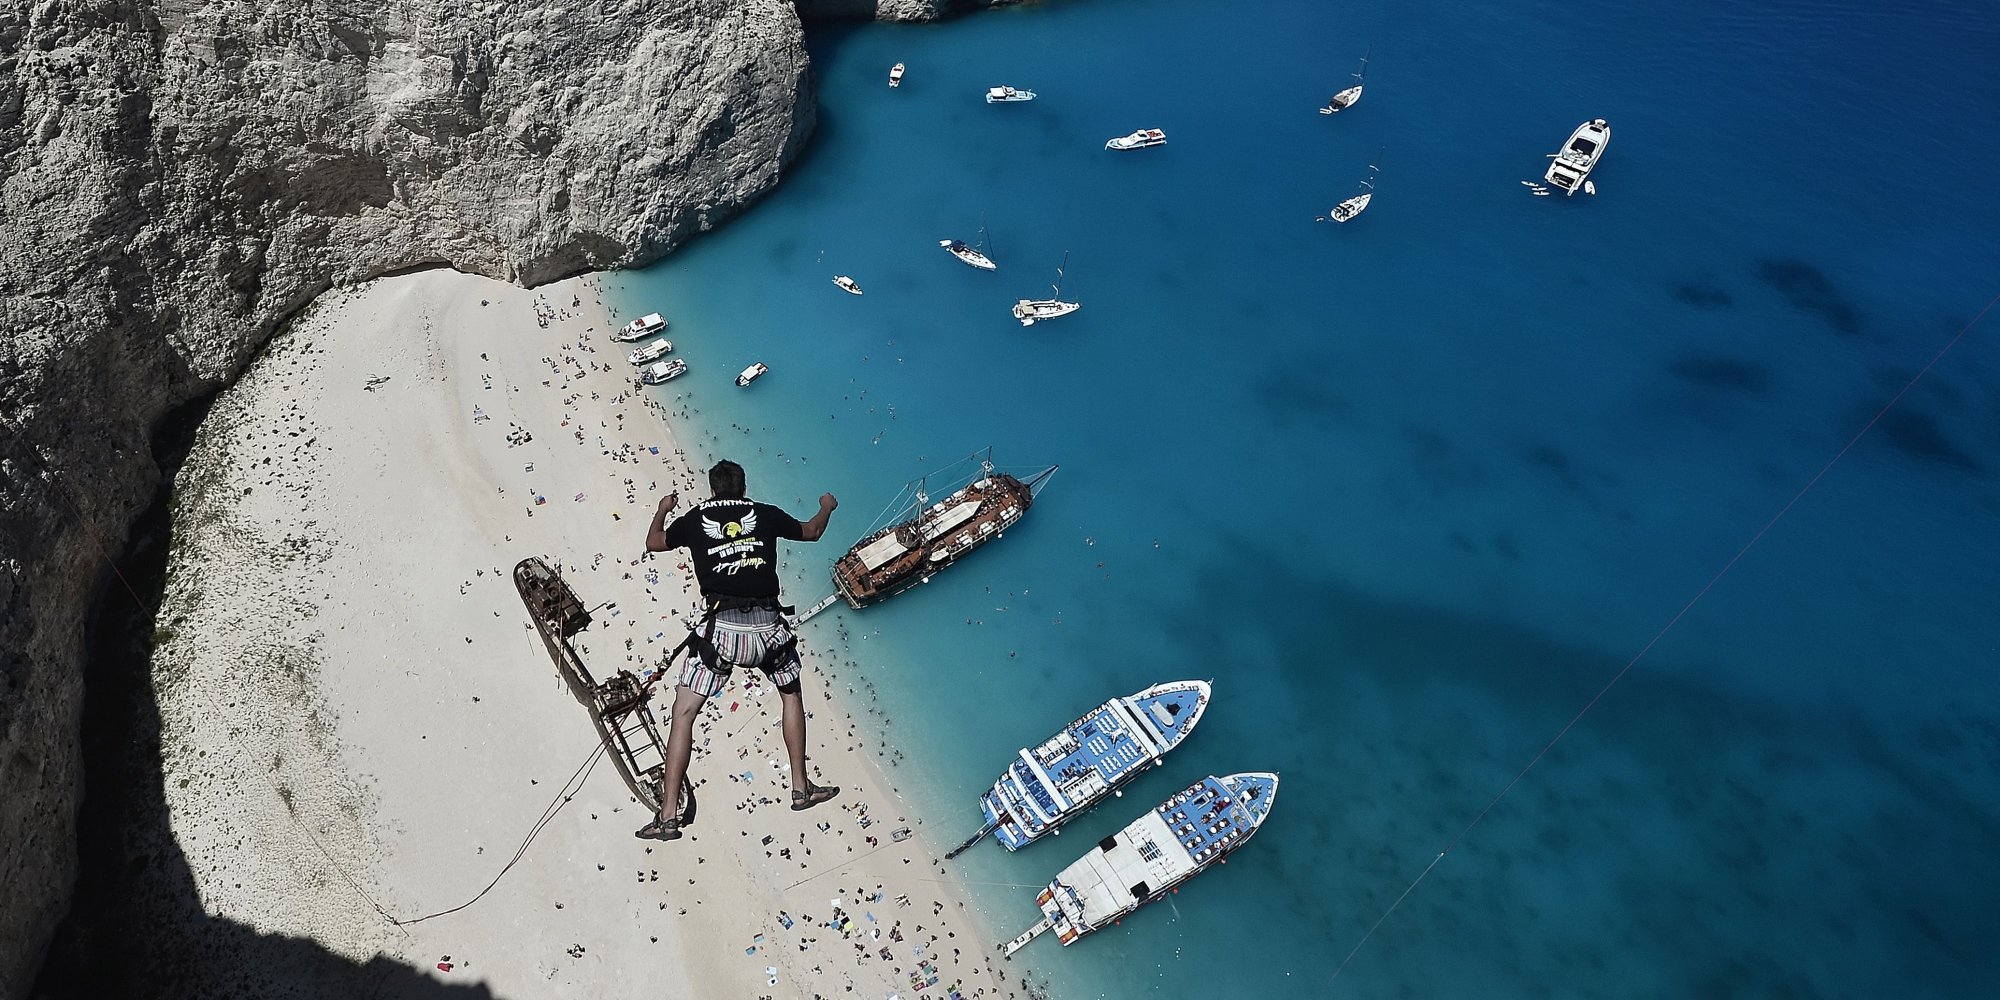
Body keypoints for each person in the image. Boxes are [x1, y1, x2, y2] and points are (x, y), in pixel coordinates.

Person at [635, 460, 839, 841]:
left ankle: (667, 817)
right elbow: (812, 531)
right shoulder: (764, 513)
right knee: (791, 695)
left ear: (712, 490)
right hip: (768, 628)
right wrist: (826, 506)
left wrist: (663, 509)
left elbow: (654, 542)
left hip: (722, 632)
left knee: (683, 714)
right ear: (744, 488)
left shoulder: (695, 519)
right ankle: (800, 788)